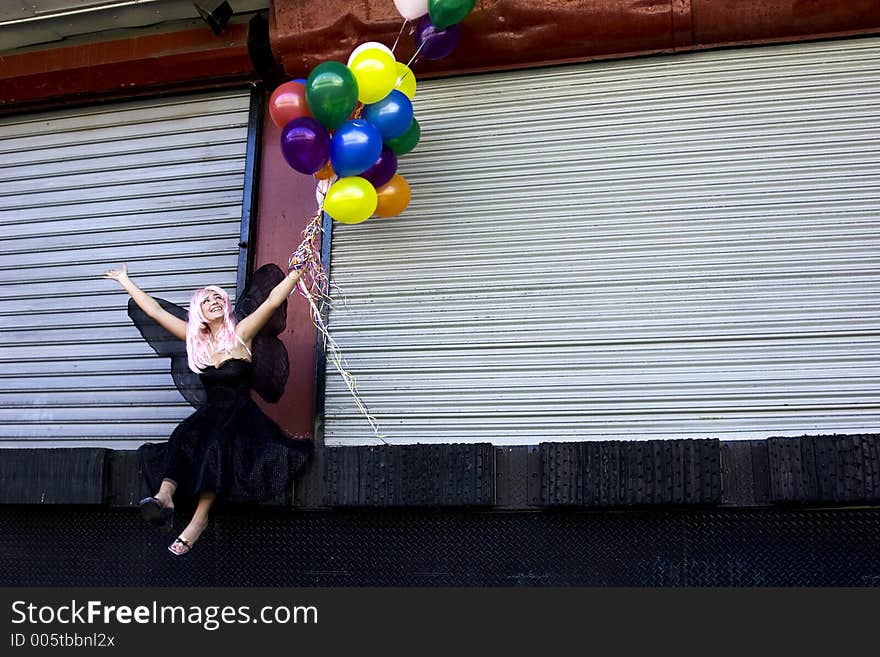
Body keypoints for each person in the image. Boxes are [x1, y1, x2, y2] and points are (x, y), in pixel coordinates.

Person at [102, 262, 313, 556]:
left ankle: (198, 521)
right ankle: (164, 497)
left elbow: (272, 300)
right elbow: (156, 312)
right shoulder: (195, 340)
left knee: (216, 445)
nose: (214, 302)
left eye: (218, 298)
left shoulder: (242, 332)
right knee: (182, 436)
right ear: (198, 310)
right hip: (211, 413)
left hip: (241, 415)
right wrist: (125, 281)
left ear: (225, 306)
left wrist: (295, 274)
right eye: (207, 300)